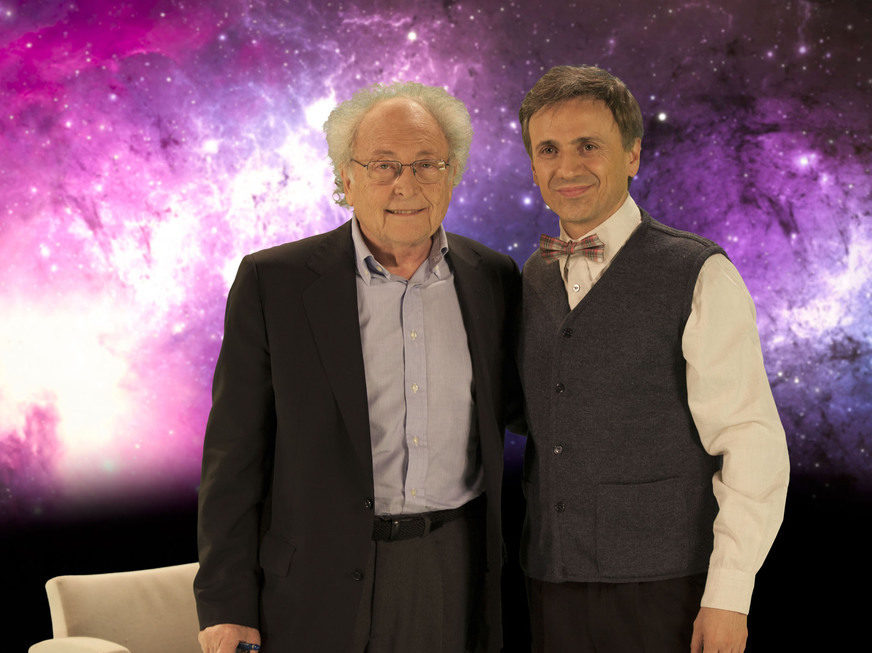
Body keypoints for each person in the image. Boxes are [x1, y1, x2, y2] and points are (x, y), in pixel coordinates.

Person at [194, 81, 521, 653]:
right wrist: (226, 605)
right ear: (346, 179)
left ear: (452, 175)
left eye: (427, 164)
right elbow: (233, 458)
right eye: (383, 165)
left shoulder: (494, 278)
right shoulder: (275, 284)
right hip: (316, 582)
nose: (406, 185)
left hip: (458, 573)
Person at [516, 65, 790, 653]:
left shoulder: (698, 272)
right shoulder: (533, 275)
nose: (567, 167)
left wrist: (729, 596)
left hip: (667, 588)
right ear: (534, 165)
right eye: (549, 149)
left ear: (633, 155)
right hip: (550, 580)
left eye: (589, 145)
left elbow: (751, 441)